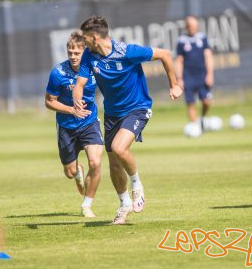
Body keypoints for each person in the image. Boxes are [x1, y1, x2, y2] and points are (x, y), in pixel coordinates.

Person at [73, 16, 183, 224]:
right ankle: (124, 205)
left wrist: (174, 85)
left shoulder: (127, 52)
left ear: (95, 38)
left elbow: (165, 55)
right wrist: (77, 102)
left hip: (138, 108)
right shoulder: (89, 56)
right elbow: (79, 85)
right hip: (112, 114)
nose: (82, 43)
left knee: (119, 148)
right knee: (114, 164)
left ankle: (137, 187)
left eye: (85, 39)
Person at [45, 30, 103, 218]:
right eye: (70, 52)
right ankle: (77, 172)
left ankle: (86, 205)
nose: (73, 56)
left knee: (95, 162)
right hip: (66, 126)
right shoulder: (58, 72)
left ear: (85, 51)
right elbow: (49, 101)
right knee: (69, 173)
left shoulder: (94, 67)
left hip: (89, 121)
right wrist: (71, 110)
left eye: (77, 53)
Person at [175, 15, 214, 131]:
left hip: (202, 75)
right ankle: (195, 127)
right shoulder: (181, 41)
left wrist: (210, 74)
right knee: (190, 103)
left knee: (206, 101)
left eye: (196, 26)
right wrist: (179, 78)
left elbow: (208, 56)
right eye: (191, 26)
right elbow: (178, 61)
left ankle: (202, 118)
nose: (194, 28)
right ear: (187, 27)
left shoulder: (202, 38)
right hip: (188, 76)